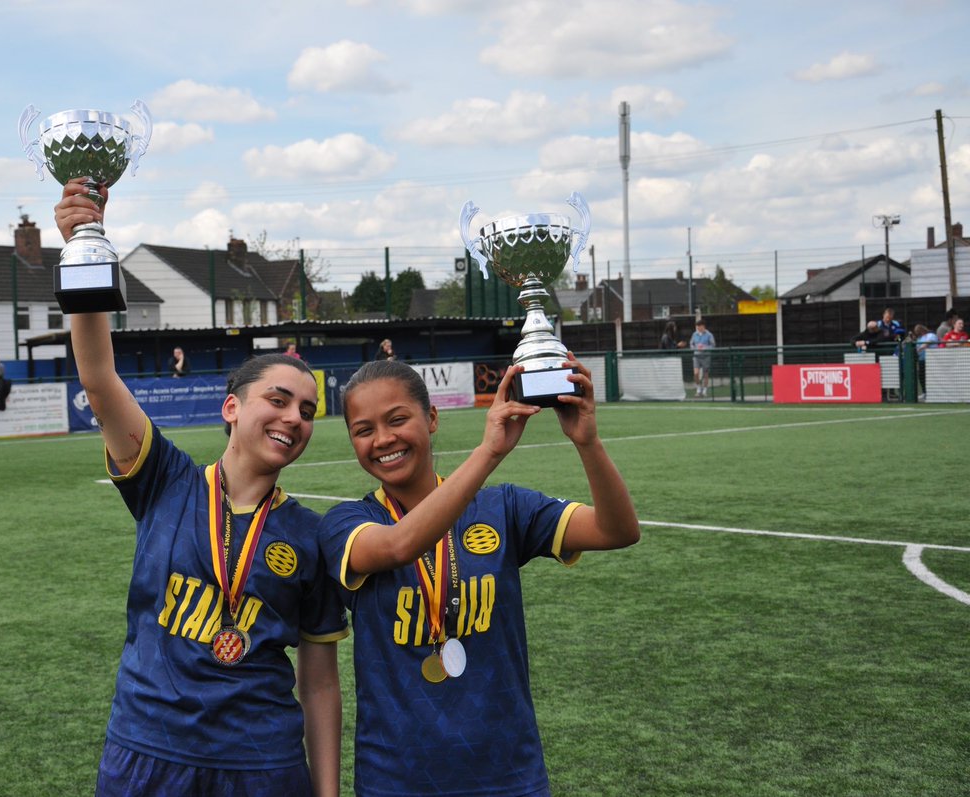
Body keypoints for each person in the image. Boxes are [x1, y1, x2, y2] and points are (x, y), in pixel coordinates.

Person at [56, 176, 347, 797]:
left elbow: (319, 681)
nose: (294, 418)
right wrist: (85, 245)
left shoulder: (310, 534)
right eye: (278, 399)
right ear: (231, 409)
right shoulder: (166, 479)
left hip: (262, 767)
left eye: (307, 410)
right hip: (147, 752)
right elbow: (99, 378)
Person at [319, 358, 640, 797]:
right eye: (363, 429)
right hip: (397, 777)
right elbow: (398, 546)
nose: (383, 440)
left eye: (397, 420)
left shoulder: (503, 508)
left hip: (507, 773)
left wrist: (588, 442)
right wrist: (488, 452)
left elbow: (617, 530)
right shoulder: (345, 523)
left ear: (431, 418)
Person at [690, 319, 716, 396]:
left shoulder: (709, 335)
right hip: (696, 356)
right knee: (696, 373)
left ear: (703, 326)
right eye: (697, 327)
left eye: (699, 327)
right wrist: (695, 348)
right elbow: (691, 344)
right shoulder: (694, 334)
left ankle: (705, 390)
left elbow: (713, 345)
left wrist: (705, 347)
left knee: (705, 374)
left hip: (706, 357)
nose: (698, 328)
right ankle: (698, 388)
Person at [913, 324, 939, 397]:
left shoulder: (931, 335)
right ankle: (925, 392)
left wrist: (920, 348)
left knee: (931, 377)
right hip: (922, 360)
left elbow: (927, 343)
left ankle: (933, 393)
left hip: (931, 360)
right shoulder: (919, 339)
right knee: (921, 376)